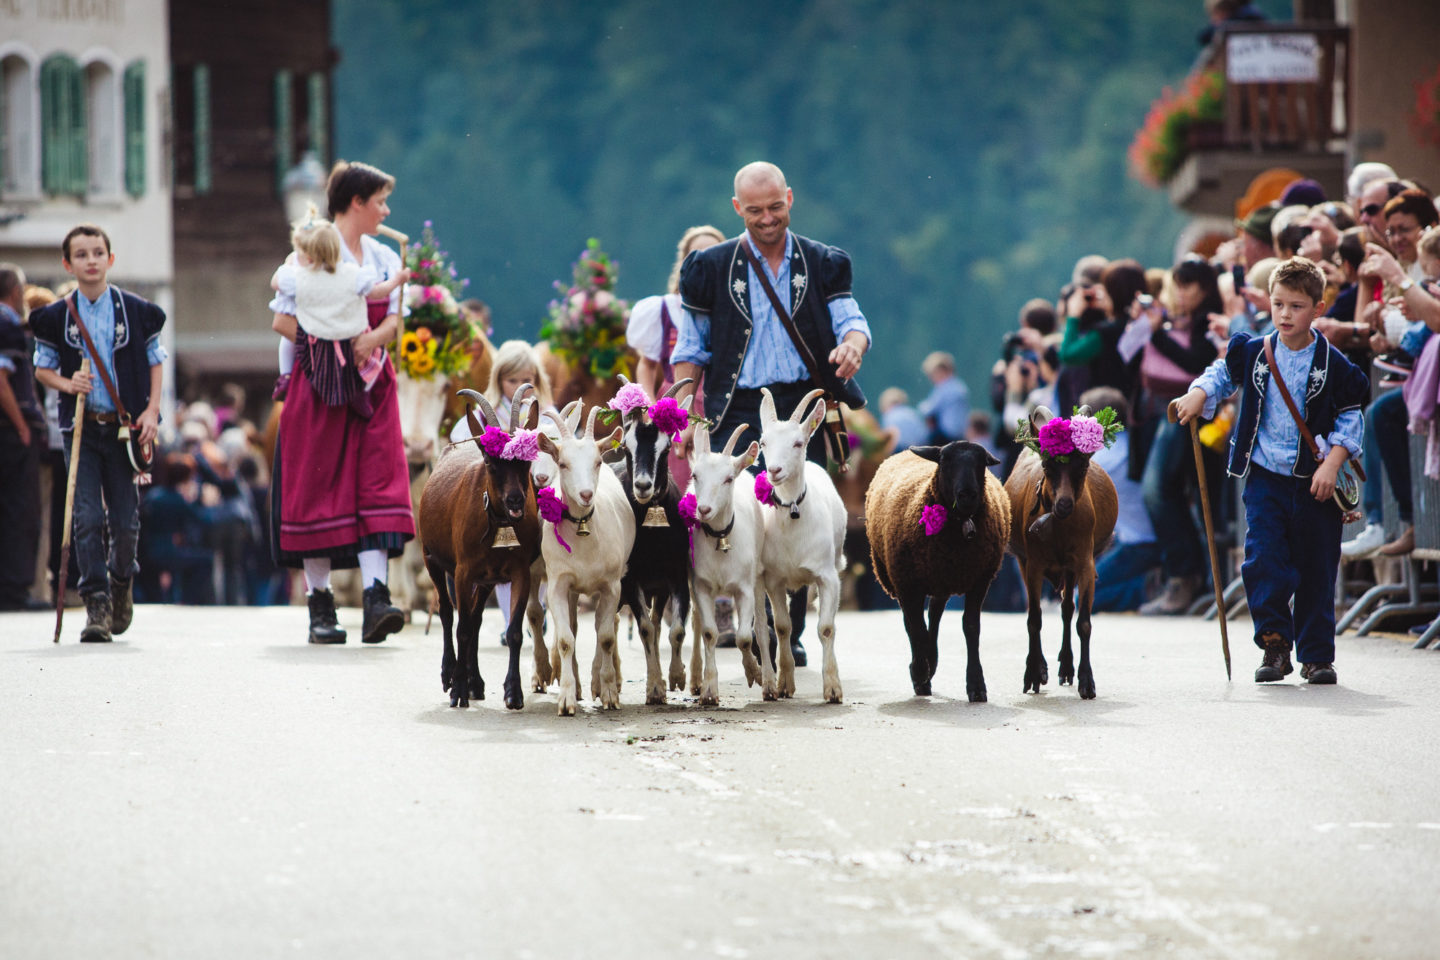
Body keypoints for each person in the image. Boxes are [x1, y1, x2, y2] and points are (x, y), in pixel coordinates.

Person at [674, 161, 872, 667]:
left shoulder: (823, 261)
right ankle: (754, 627)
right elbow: (692, 346)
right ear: (737, 208)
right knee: (744, 516)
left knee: (799, 514)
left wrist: (852, 346)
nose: (767, 219)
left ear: (790, 198)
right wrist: (678, 407)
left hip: (803, 405)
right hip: (737, 407)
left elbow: (851, 321)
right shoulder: (710, 267)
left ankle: (794, 632)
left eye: (775, 207)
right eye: (755, 210)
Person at [1175, 257, 1367, 685]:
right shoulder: (1254, 351)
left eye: (1296, 306)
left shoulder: (1335, 364)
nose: (1284, 314)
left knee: (1318, 566)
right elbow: (1221, 374)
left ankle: (1317, 656)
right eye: (1278, 304)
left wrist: (1333, 464)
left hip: (1314, 481)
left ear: (1318, 308)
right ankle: (1276, 644)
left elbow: (1351, 417)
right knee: (1264, 559)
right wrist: (1198, 393)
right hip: (1264, 477)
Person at [269, 161, 414, 645]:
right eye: (379, 201)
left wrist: (370, 338)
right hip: (319, 382)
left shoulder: (383, 258)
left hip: (372, 383)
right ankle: (320, 606)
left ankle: (376, 597)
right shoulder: (310, 249)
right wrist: (329, 341)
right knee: (318, 486)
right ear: (356, 202)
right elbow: (283, 322)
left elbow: (396, 323)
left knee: (376, 481)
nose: (385, 210)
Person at [30, 225, 167, 641]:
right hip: (81, 429)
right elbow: (42, 368)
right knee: (86, 517)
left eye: (97, 253)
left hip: (123, 430)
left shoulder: (136, 310)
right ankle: (97, 603)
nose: (90, 261)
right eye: (81, 254)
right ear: (67, 264)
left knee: (125, 522)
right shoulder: (56, 316)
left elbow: (155, 358)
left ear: (110, 259)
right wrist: (67, 384)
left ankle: (122, 580)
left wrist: (152, 411)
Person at [1124, 257, 1221, 615]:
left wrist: (1156, 334)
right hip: (1163, 410)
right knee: (1164, 493)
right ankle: (1183, 575)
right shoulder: (1175, 319)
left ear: (1204, 287)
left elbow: (1196, 361)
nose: (1181, 293)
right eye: (1177, 284)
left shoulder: (1209, 319)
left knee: (1159, 491)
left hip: (1189, 411)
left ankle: (1186, 575)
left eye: (1189, 285)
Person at [270, 204, 409, 417]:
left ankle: (286, 376)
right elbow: (377, 292)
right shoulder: (353, 274)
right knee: (373, 357)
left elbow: (276, 284)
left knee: (287, 342)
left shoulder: (299, 278)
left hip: (316, 336)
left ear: (308, 255)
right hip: (349, 336)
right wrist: (397, 280)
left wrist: (288, 267)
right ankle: (360, 390)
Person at [626, 224, 725, 492]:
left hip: (722, 406)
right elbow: (646, 365)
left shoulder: (731, 311)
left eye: (712, 255)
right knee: (678, 483)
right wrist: (649, 404)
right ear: (685, 262)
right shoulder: (664, 309)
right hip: (674, 409)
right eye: (697, 255)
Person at [1079, 387, 1160, 611]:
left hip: (1138, 544)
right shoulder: (1130, 447)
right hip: (1147, 538)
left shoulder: (1100, 460)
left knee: (1081, 597)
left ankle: (1144, 590)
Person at [0, 263, 47, 610]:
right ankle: (14, 590)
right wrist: (21, 426)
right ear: (16, 292)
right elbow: (1, 378)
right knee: (18, 510)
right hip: (10, 432)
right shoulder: (7, 323)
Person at [917, 351, 969, 443]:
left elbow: (929, 409)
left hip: (946, 435)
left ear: (941, 371)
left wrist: (921, 406)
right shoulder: (960, 386)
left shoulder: (945, 387)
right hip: (961, 434)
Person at [877, 387, 927, 452]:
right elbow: (924, 434)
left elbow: (891, 443)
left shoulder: (888, 417)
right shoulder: (912, 412)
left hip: (902, 451)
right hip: (922, 449)